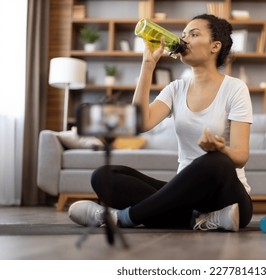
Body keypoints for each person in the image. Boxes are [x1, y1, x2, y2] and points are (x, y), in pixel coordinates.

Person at [68, 14, 253, 232]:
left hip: (228, 198)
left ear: (215, 46)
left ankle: (122, 218)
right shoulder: (176, 89)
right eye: (183, 35)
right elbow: (138, 122)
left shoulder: (235, 88)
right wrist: (147, 65)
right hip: (186, 198)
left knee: (216, 161)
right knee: (103, 176)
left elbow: (240, 157)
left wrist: (221, 148)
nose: (184, 40)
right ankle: (202, 220)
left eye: (194, 34)